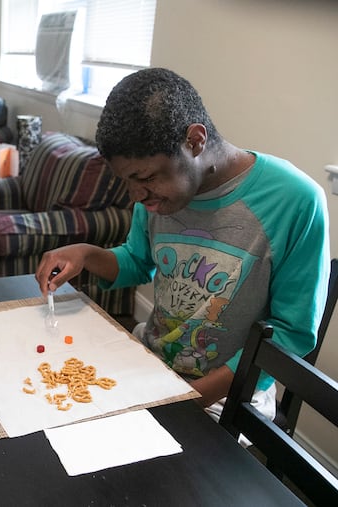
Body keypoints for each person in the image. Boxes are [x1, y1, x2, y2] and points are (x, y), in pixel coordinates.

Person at [36, 67, 329, 422]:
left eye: (144, 178)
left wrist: (188, 398)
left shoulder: (294, 200)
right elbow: (137, 260)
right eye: (127, 182)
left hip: (229, 393)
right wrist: (85, 253)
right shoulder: (156, 196)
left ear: (194, 141)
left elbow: (290, 335)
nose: (137, 196)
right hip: (151, 364)